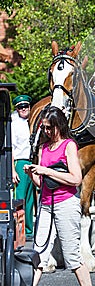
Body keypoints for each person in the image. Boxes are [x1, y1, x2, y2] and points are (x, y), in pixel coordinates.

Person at [24, 106, 95, 286]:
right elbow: (43, 185)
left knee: (72, 255)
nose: (47, 132)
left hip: (66, 204)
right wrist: (32, 174)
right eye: (45, 128)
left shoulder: (69, 146)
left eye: (50, 128)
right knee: (38, 254)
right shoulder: (43, 148)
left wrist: (46, 171)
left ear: (60, 126)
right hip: (46, 205)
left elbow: (76, 179)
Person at [11, 94, 35, 241]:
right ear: (17, 109)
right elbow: (12, 148)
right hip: (20, 162)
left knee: (30, 199)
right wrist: (13, 170)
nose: (24, 109)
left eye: (26, 106)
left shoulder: (32, 122)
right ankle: (18, 231)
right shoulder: (15, 124)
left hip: (32, 162)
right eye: (21, 107)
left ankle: (29, 230)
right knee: (19, 198)